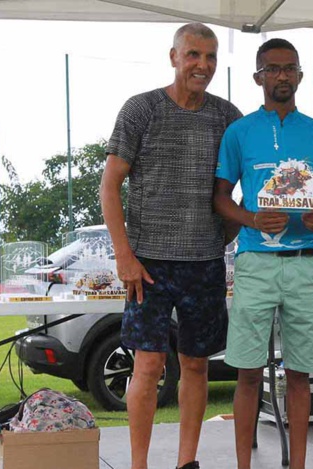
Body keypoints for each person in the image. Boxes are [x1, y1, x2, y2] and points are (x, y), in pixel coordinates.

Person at [100, 23, 242, 469]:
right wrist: (124, 256)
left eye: (211, 57)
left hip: (205, 262)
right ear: (174, 57)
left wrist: (227, 236)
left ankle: (186, 463)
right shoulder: (141, 109)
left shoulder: (228, 116)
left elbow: (238, 190)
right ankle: (139, 464)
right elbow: (108, 186)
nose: (203, 65)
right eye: (194, 55)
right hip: (148, 264)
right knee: (147, 364)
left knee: (197, 365)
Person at [212, 38, 313, 469]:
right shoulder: (239, 131)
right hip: (255, 264)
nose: (282, 75)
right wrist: (251, 219)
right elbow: (221, 197)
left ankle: (298, 464)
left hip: (304, 263)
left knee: (301, 374)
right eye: (273, 69)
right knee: (248, 372)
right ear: (258, 77)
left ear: (300, 76)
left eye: (289, 68)